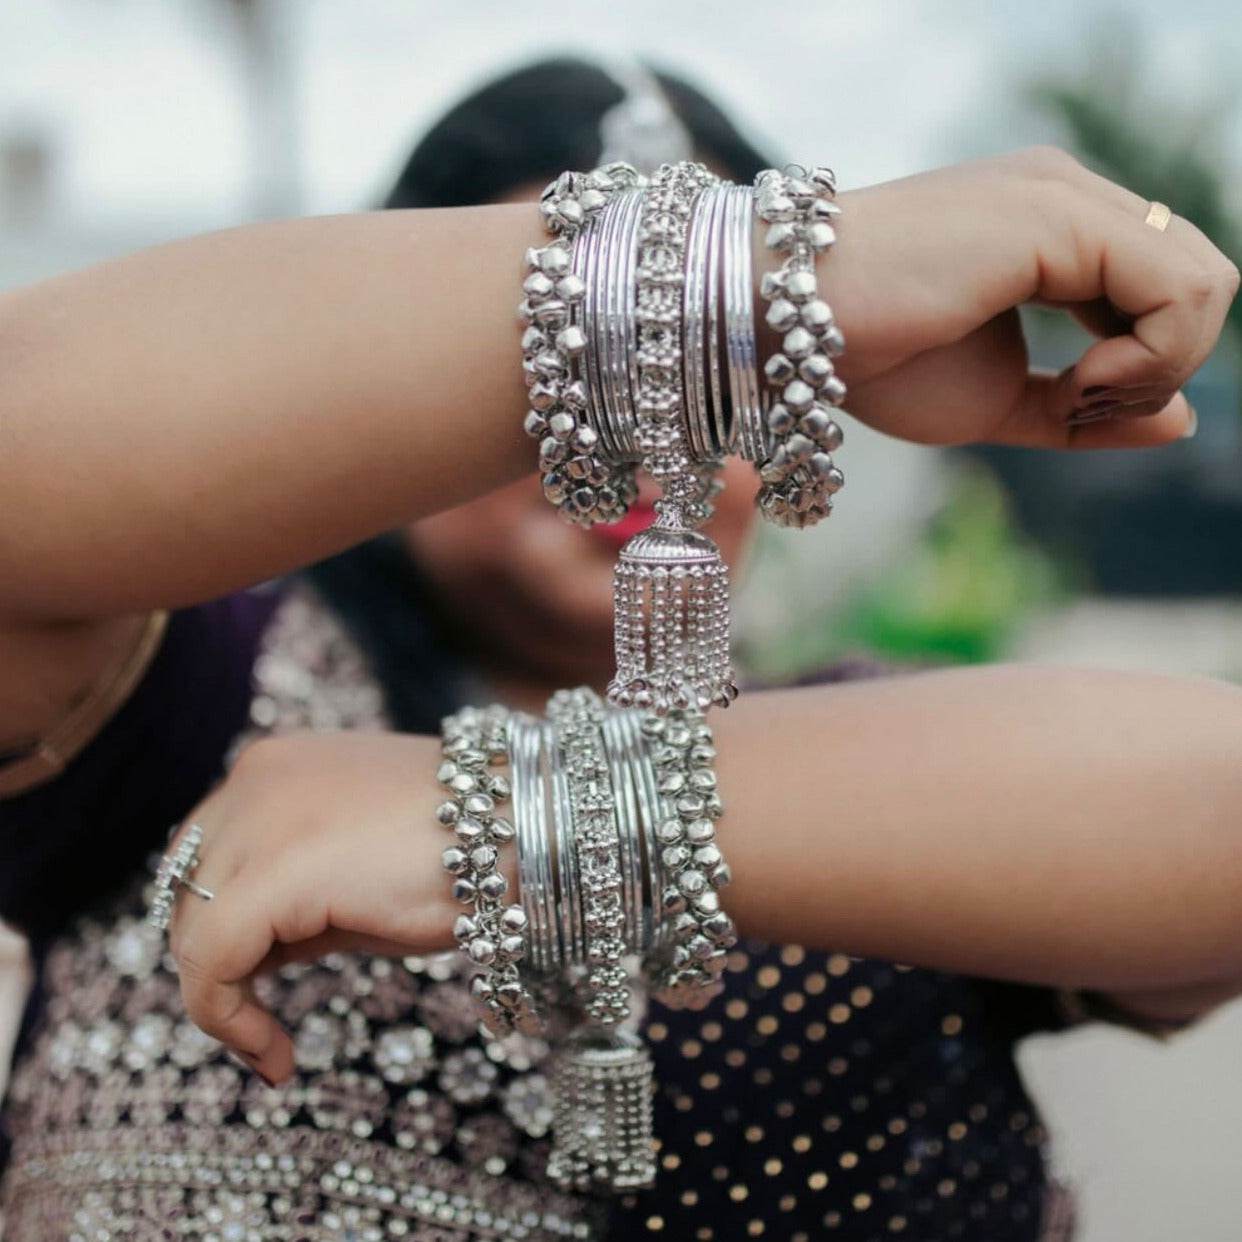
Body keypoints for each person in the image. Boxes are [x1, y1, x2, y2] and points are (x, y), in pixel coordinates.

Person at [0, 56, 1239, 1242]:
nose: (663, 434)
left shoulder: (898, 753)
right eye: (596, 368)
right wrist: (741, 276)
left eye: (725, 378)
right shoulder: (184, 694)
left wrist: (522, 815)